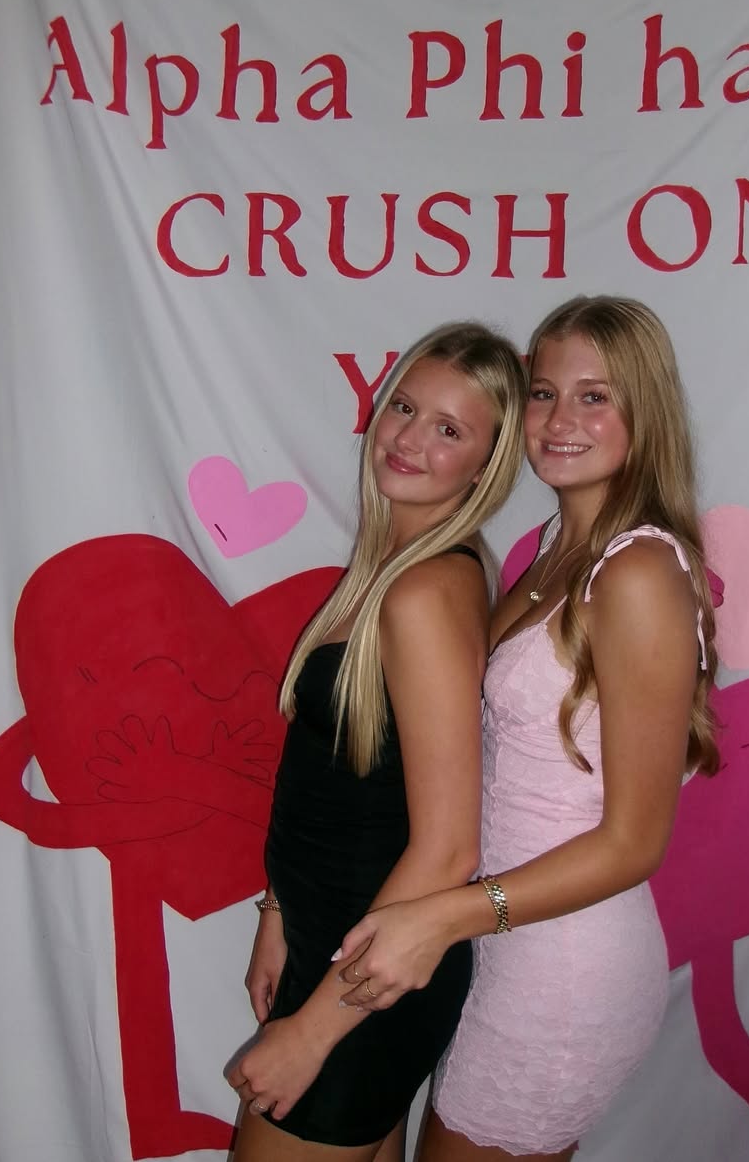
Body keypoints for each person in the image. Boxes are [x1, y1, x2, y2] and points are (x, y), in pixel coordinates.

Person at [335, 295, 719, 1161]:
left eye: (595, 396)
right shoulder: (553, 550)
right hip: (500, 944)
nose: (559, 418)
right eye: (544, 393)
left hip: (564, 967)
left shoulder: (638, 573)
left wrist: (444, 917)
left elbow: (634, 843)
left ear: (645, 411)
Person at [227, 321, 528, 1162]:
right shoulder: (392, 570)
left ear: (485, 465)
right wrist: (280, 911)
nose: (408, 438)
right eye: (405, 407)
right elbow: (343, 784)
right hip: (340, 950)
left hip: (368, 982)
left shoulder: (424, 593)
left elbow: (448, 848)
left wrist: (313, 1032)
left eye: (449, 429)